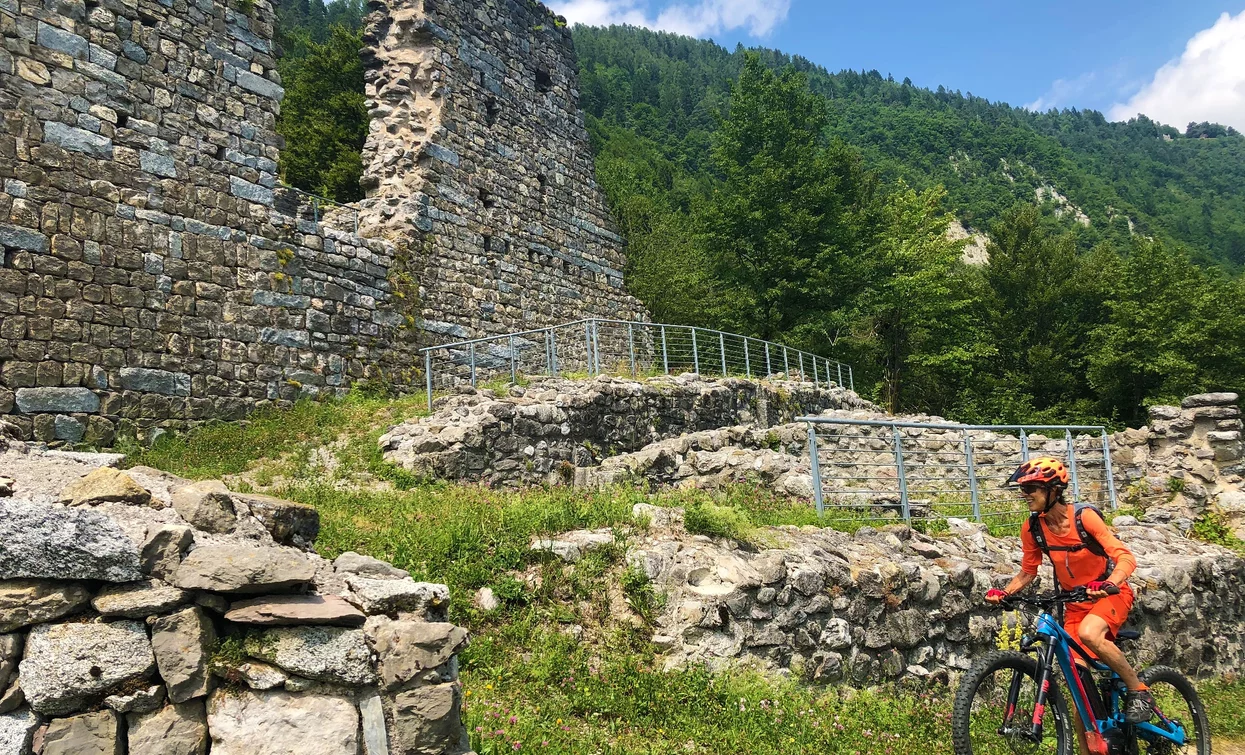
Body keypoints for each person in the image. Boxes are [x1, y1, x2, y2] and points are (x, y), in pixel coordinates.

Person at [985, 456, 1154, 734]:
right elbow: (1028, 572)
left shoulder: (1084, 517)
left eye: (1032, 489)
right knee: (1081, 698)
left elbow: (1124, 557)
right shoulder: (1032, 528)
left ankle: (1139, 690)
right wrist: (1005, 592)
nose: (1025, 495)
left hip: (1110, 595)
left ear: (1053, 490)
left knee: (1090, 634)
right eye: (1023, 490)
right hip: (1074, 605)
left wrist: (1109, 583)